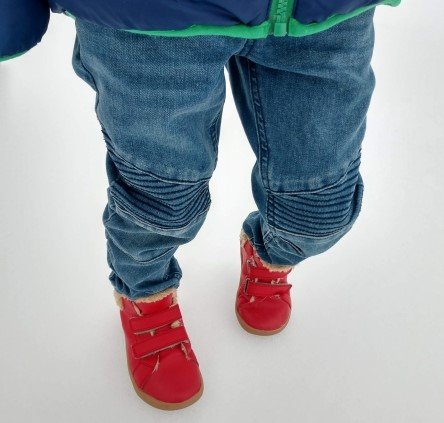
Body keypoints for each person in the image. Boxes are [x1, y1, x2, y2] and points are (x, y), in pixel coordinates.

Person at [1, 0, 401, 411]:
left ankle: (270, 256)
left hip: (327, 13)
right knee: (160, 197)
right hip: (147, 17)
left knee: (320, 209)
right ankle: (145, 291)